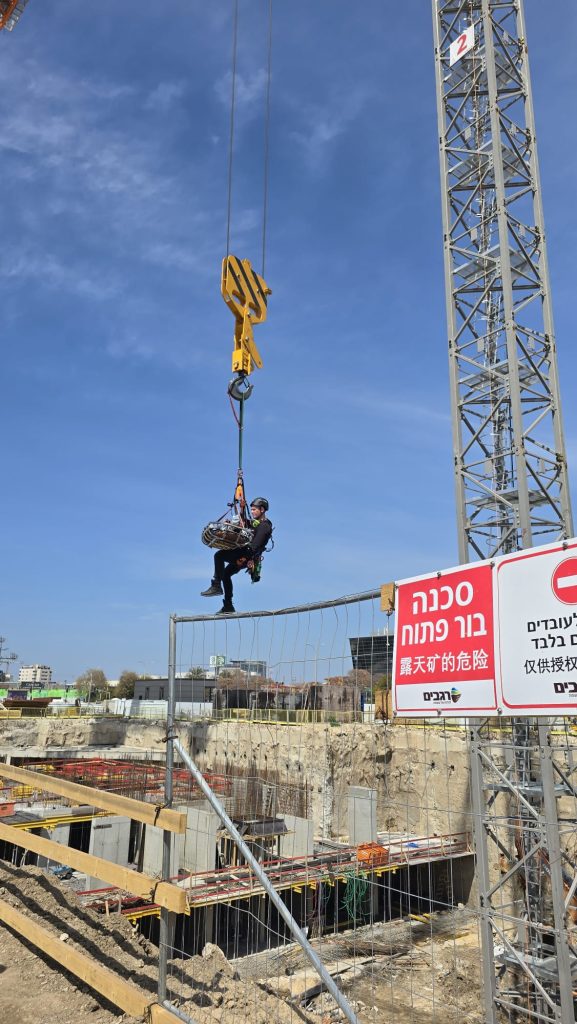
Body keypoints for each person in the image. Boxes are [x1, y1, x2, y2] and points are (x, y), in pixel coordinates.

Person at [201, 497, 272, 614]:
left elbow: (255, 546)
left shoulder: (264, 526)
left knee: (219, 556)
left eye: (254, 510)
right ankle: (228, 606)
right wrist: (241, 510)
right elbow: (245, 523)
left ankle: (216, 585)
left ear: (262, 510)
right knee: (226, 574)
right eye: (252, 509)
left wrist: (244, 558)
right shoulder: (257, 523)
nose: (253, 512)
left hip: (246, 555)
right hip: (245, 555)